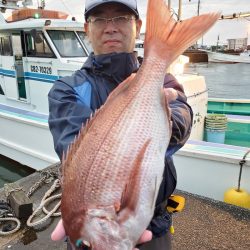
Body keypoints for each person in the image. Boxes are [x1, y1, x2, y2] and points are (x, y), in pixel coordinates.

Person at [48, 0, 193, 249]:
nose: (111, 27)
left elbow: (184, 117)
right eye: (100, 19)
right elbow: (71, 146)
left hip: (156, 228)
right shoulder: (67, 88)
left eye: (121, 18)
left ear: (137, 25)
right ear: (86, 28)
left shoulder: (162, 79)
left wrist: (165, 115)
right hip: (86, 234)